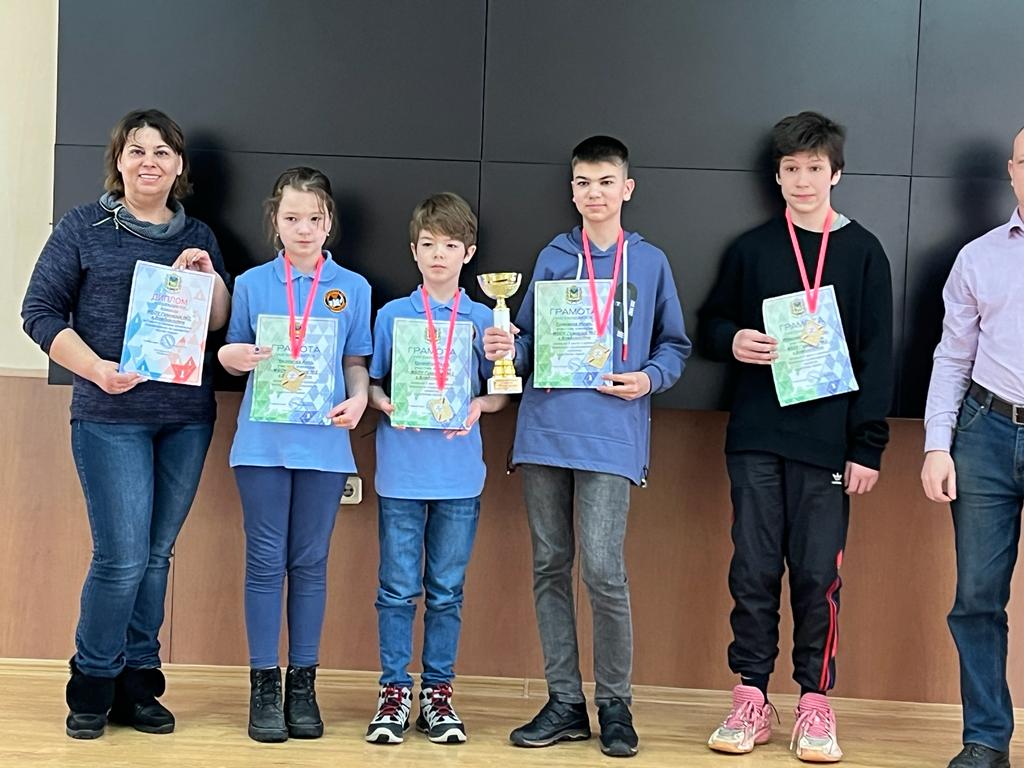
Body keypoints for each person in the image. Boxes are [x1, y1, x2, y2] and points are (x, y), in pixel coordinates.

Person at [21, 108, 231, 739]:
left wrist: (208, 280)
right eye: (137, 150)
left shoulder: (198, 235)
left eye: (162, 152)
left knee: (157, 557)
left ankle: (139, 685)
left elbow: (219, 320)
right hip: (109, 416)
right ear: (119, 160)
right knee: (120, 558)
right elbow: (39, 312)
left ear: (179, 165)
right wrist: (96, 369)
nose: (149, 162)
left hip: (185, 419)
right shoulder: (82, 227)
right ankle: (92, 682)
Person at [484, 135, 690, 758]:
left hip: (611, 437)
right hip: (545, 433)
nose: (594, 193)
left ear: (627, 188)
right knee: (551, 566)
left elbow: (674, 346)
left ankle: (615, 704)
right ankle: (565, 702)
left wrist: (647, 379)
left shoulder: (649, 262)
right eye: (583, 183)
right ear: (571, 190)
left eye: (605, 182)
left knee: (603, 571)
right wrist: (507, 347)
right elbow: (528, 345)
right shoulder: (552, 257)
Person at [698, 111, 893, 763]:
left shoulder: (864, 251)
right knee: (752, 571)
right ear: (776, 176)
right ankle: (750, 697)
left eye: (814, 168)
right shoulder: (752, 248)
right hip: (756, 436)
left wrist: (867, 446)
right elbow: (710, 323)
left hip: (827, 445)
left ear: (836, 173)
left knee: (817, 577)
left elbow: (878, 355)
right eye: (791, 169)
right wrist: (733, 340)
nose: (802, 180)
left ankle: (815, 703)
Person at [218, 166, 371, 742]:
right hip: (262, 443)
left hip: (325, 445)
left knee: (310, 563)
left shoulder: (353, 287)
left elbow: (355, 361)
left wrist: (359, 399)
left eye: (314, 218)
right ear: (275, 222)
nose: (303, 228)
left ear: (329, 223)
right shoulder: (252, 283)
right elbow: (229, 351)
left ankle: (302, 685)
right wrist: (233, 358)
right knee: (264, 562)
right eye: (291, 218)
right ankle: (263, 685)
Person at [364, 192, 508, 745]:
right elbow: (373, 382)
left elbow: (500, 391)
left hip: (459, 475)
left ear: (468, 253)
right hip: (401, 471)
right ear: (414, 251)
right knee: (397, 589)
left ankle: (438, 694)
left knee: (446, 591)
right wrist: (383, 403)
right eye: (429, 245)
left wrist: (480, 405)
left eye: (450, 245)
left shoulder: (485, 318)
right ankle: (394, 692)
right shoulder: (391, 315)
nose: (439, 255)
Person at [920, 126, 1024, 768]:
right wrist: (938, 444)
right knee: (978, 599)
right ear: (1012, 170)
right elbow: (952, 356)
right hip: (984, 433)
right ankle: (985, 740)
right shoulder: (977, 257)